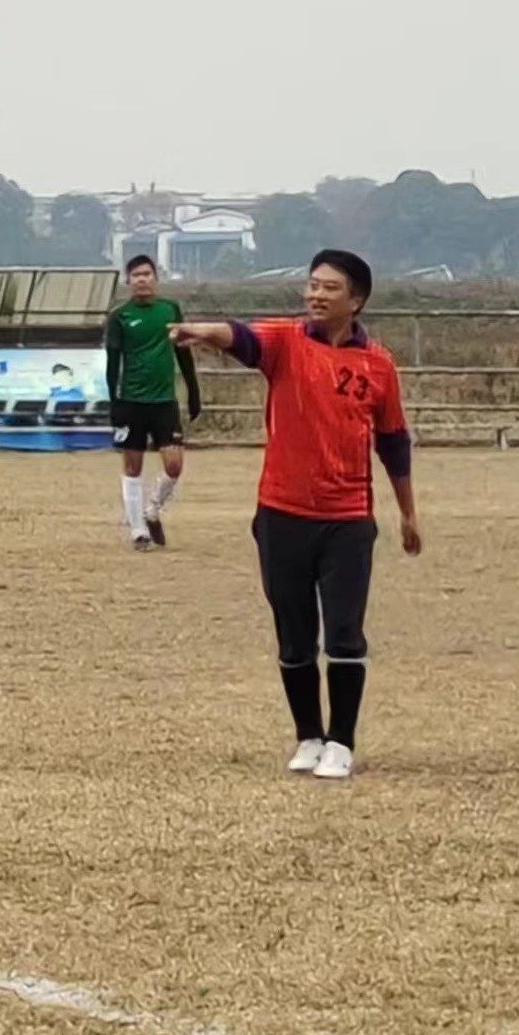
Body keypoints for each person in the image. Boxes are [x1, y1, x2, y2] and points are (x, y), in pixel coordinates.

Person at [171, 249, 421, 780]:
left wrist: (407, 513)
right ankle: (309, 736)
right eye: (311, 285)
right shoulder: (286, 342)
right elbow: (240, 335)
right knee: (294, 633)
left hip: (348, 519)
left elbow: (394, 443)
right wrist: (198, 331)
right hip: (281, 514)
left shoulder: (378, 365)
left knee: (345, 633)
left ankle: (343, 743)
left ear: (356, 300)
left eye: (330, 288)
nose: (316, 295)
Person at [105, 255, 201, 550]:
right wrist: (114, 401)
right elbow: (112, 361)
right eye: (136, 275)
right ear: (128, 282)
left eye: (147, 274)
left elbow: (183, 351)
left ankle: (152, 510)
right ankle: (138, 530)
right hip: (132, 400)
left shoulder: (169, 310)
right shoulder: (119, 316)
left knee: (174, 465)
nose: (142, 280)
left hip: (164, 401)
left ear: (155, 278)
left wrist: (194, 390)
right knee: (132, 465)